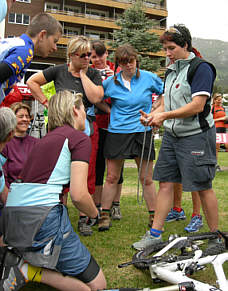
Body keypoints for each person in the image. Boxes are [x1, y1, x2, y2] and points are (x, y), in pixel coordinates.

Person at [0, 90, 106, 291]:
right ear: (75, 110)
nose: (85, 114)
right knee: (97, 285)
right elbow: (79, 195)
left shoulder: (44, 140)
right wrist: (94, 214)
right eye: (84, 108)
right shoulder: (79, 138)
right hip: (42, 217)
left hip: (12, 216)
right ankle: (25, 269)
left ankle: (21, 258)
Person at [133, 24, 218, 250]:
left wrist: (164, 116)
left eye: (171, 48)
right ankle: (154, 235)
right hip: (172, 136)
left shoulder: (201, 68)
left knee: (202, 185)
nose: (167, 53)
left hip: (196, 135)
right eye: (165, 49)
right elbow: (164, 101)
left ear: (186, 45)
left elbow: (197, 106)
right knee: (166, 183)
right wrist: (152, 116)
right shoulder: (171, 70)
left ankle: (216, 237)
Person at [26, 35, 104, 236]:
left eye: (89, 55)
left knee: (87, 172)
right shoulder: (58, 71)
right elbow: (32, 81)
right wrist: (47, 103)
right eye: (83, 55)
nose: (88, 58)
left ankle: (84, 218)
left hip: (86, 130)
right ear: (71, 56)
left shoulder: (93, 74)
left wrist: (83, 74)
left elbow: (96, 97)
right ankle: (60, 215)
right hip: (60, 130)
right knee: (60, 172)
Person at [98, 44, 163, 231]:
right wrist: (110, 111)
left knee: (146, 178)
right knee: (111, 177)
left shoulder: (149, 78)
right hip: (117, 132)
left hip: (142, 132)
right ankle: (104, 214)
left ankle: (153, 217)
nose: (129, 65)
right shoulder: (111, 82)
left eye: (132, 61)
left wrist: (155, 112)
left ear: (136, 60)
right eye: (124, 62)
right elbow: (98, 99)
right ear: (118, 63)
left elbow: (165, 94)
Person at [90, 40, 123, 220]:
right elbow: (93, 98)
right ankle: (97, 205)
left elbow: (126, 94)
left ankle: (115, 205)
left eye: (100, 55)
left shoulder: (117, 70)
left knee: (118, 168)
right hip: (99, 124)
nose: (97, 60)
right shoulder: (89, 72)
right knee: (98, 166)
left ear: (107, 54)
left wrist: (114, 80)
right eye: (93, 56)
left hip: (117, 127)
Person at [0, 12, 62, 105]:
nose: (55, 48)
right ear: (42, 35)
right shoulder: (25, 52)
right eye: (55, 41)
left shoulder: (14, 42)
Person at [2, 102, 38, 190]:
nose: (25, 119)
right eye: (21, 116)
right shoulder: (5, 144)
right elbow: (3, 177)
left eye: (27, 116)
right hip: (11, 194)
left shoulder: (36, 143)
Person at [212, 92, 228, 172]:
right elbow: (211, 120)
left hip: (223, 129)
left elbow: (225, 119)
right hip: (216, 128)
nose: (219, 101)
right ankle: (215, 165)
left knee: (226, 145)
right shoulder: (212, 108)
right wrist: (221, 119)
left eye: (220, 100)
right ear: (214, 100)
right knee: (217, 148)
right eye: (218, 100)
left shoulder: (223, 108)